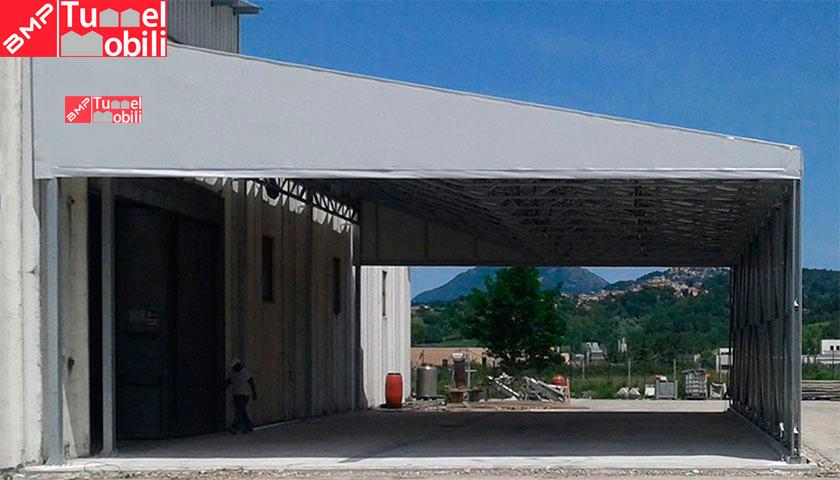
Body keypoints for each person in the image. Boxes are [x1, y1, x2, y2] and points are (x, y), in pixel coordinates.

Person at [225, 358, 257, 434]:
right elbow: (228, 382)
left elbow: (251, 383)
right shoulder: (233, 373)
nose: (234, 368)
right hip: (236, 395)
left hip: (244, 395)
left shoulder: (245, 373)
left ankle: (234, 427)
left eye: (235, 366)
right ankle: (249, 426)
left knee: (239, 412)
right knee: (242, 412)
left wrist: (254, 393)